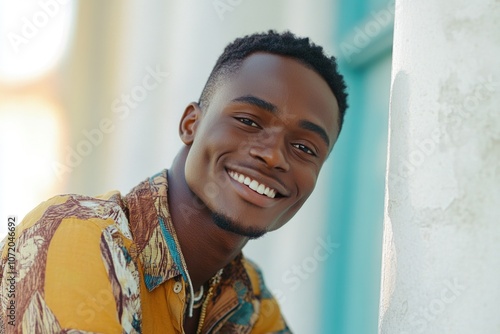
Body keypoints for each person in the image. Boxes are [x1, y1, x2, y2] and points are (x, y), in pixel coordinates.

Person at [0, 30, 348, 333]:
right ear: (190, 125)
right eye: (248, 120)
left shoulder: (247, 296)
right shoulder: (75, 233)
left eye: (304, 147)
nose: (273, 156)